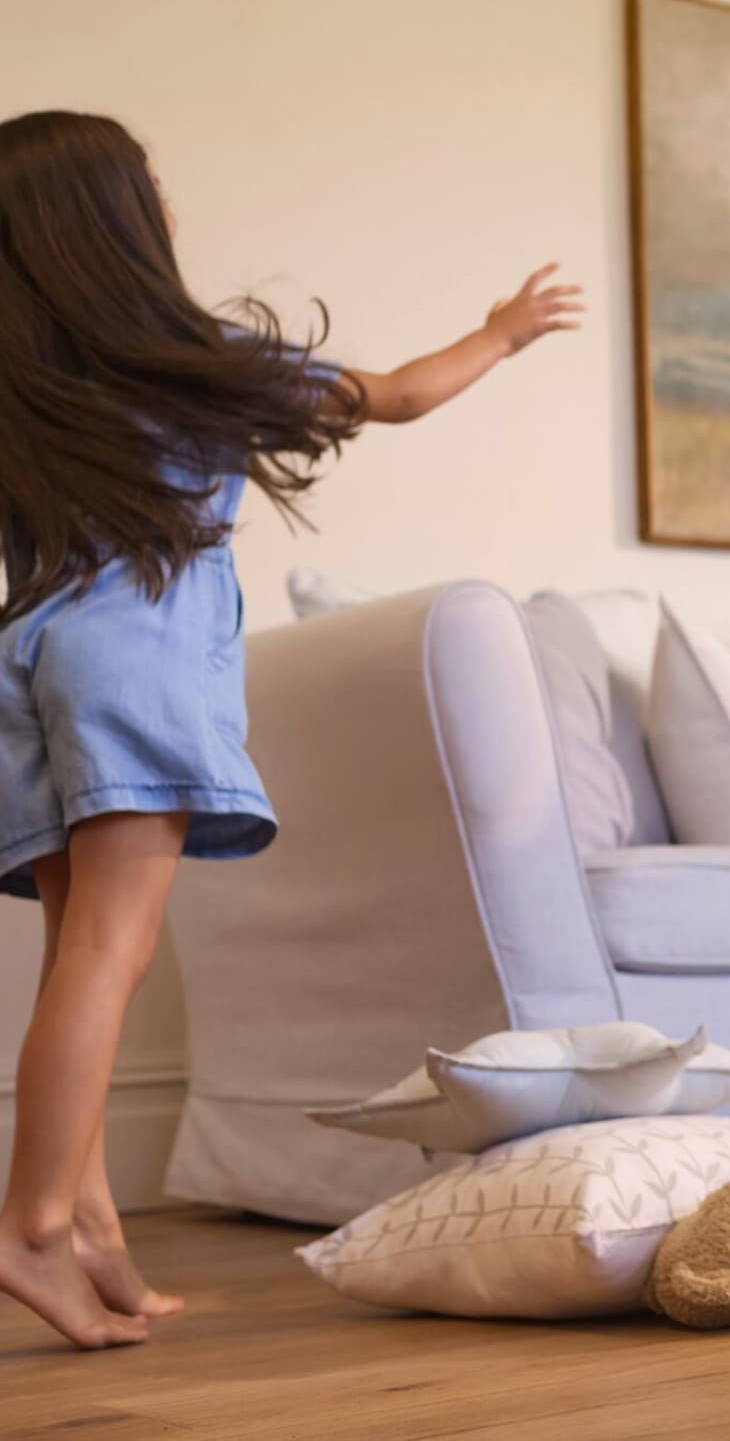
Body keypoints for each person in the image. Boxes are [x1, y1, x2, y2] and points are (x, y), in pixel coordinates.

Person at [0, 110, 582, 1349]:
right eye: (148, 181)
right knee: (110, 951)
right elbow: (400, 396)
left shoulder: (21, 376)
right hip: (137, 651)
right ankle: (30, 1228)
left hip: (29, 649)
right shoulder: (191, 356)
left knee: (75, 959)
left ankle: (92, 1231)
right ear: (115, 224)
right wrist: (500, 332)